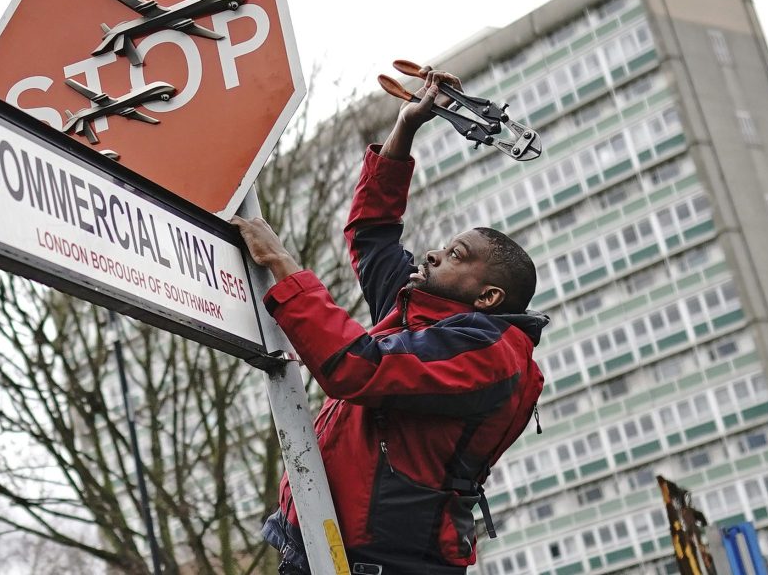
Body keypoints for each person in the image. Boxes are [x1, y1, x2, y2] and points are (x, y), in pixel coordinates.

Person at [232, 69, 548, 575]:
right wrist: (406, 127)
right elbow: (373, 234)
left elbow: (355, 368)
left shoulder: (489, 355)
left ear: (488, 295)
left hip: (379, 566)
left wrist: (283, 265)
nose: (434, 253)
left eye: (455, 254)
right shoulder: (416, 311)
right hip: (314, 545)